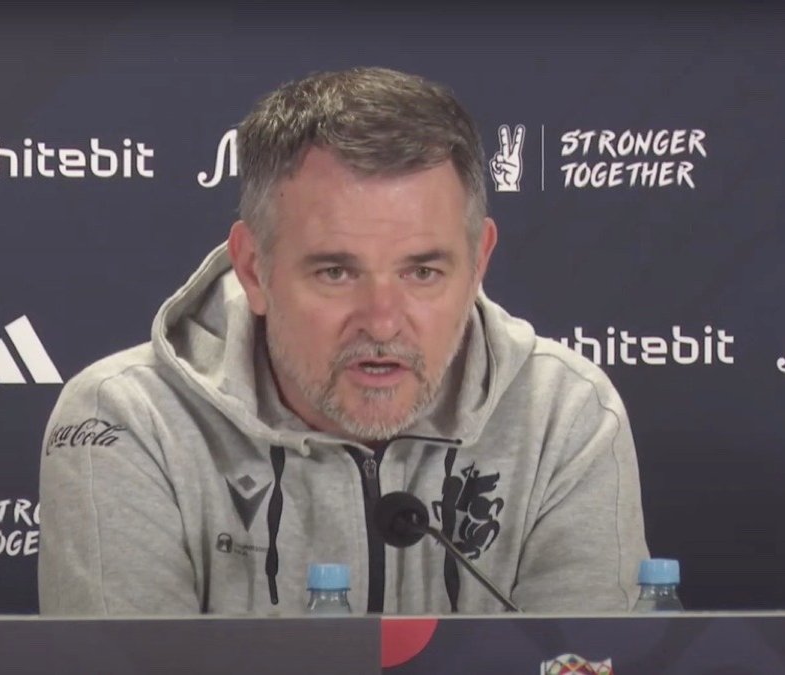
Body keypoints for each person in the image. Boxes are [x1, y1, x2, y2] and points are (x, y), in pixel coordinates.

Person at [38, 66, 649, 615]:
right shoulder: (127, 419)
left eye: (422, 272)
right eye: (336, 272)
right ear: (254, 269)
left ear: (478, 265)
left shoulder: (563, 414)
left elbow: (580, 662)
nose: (382, 323)